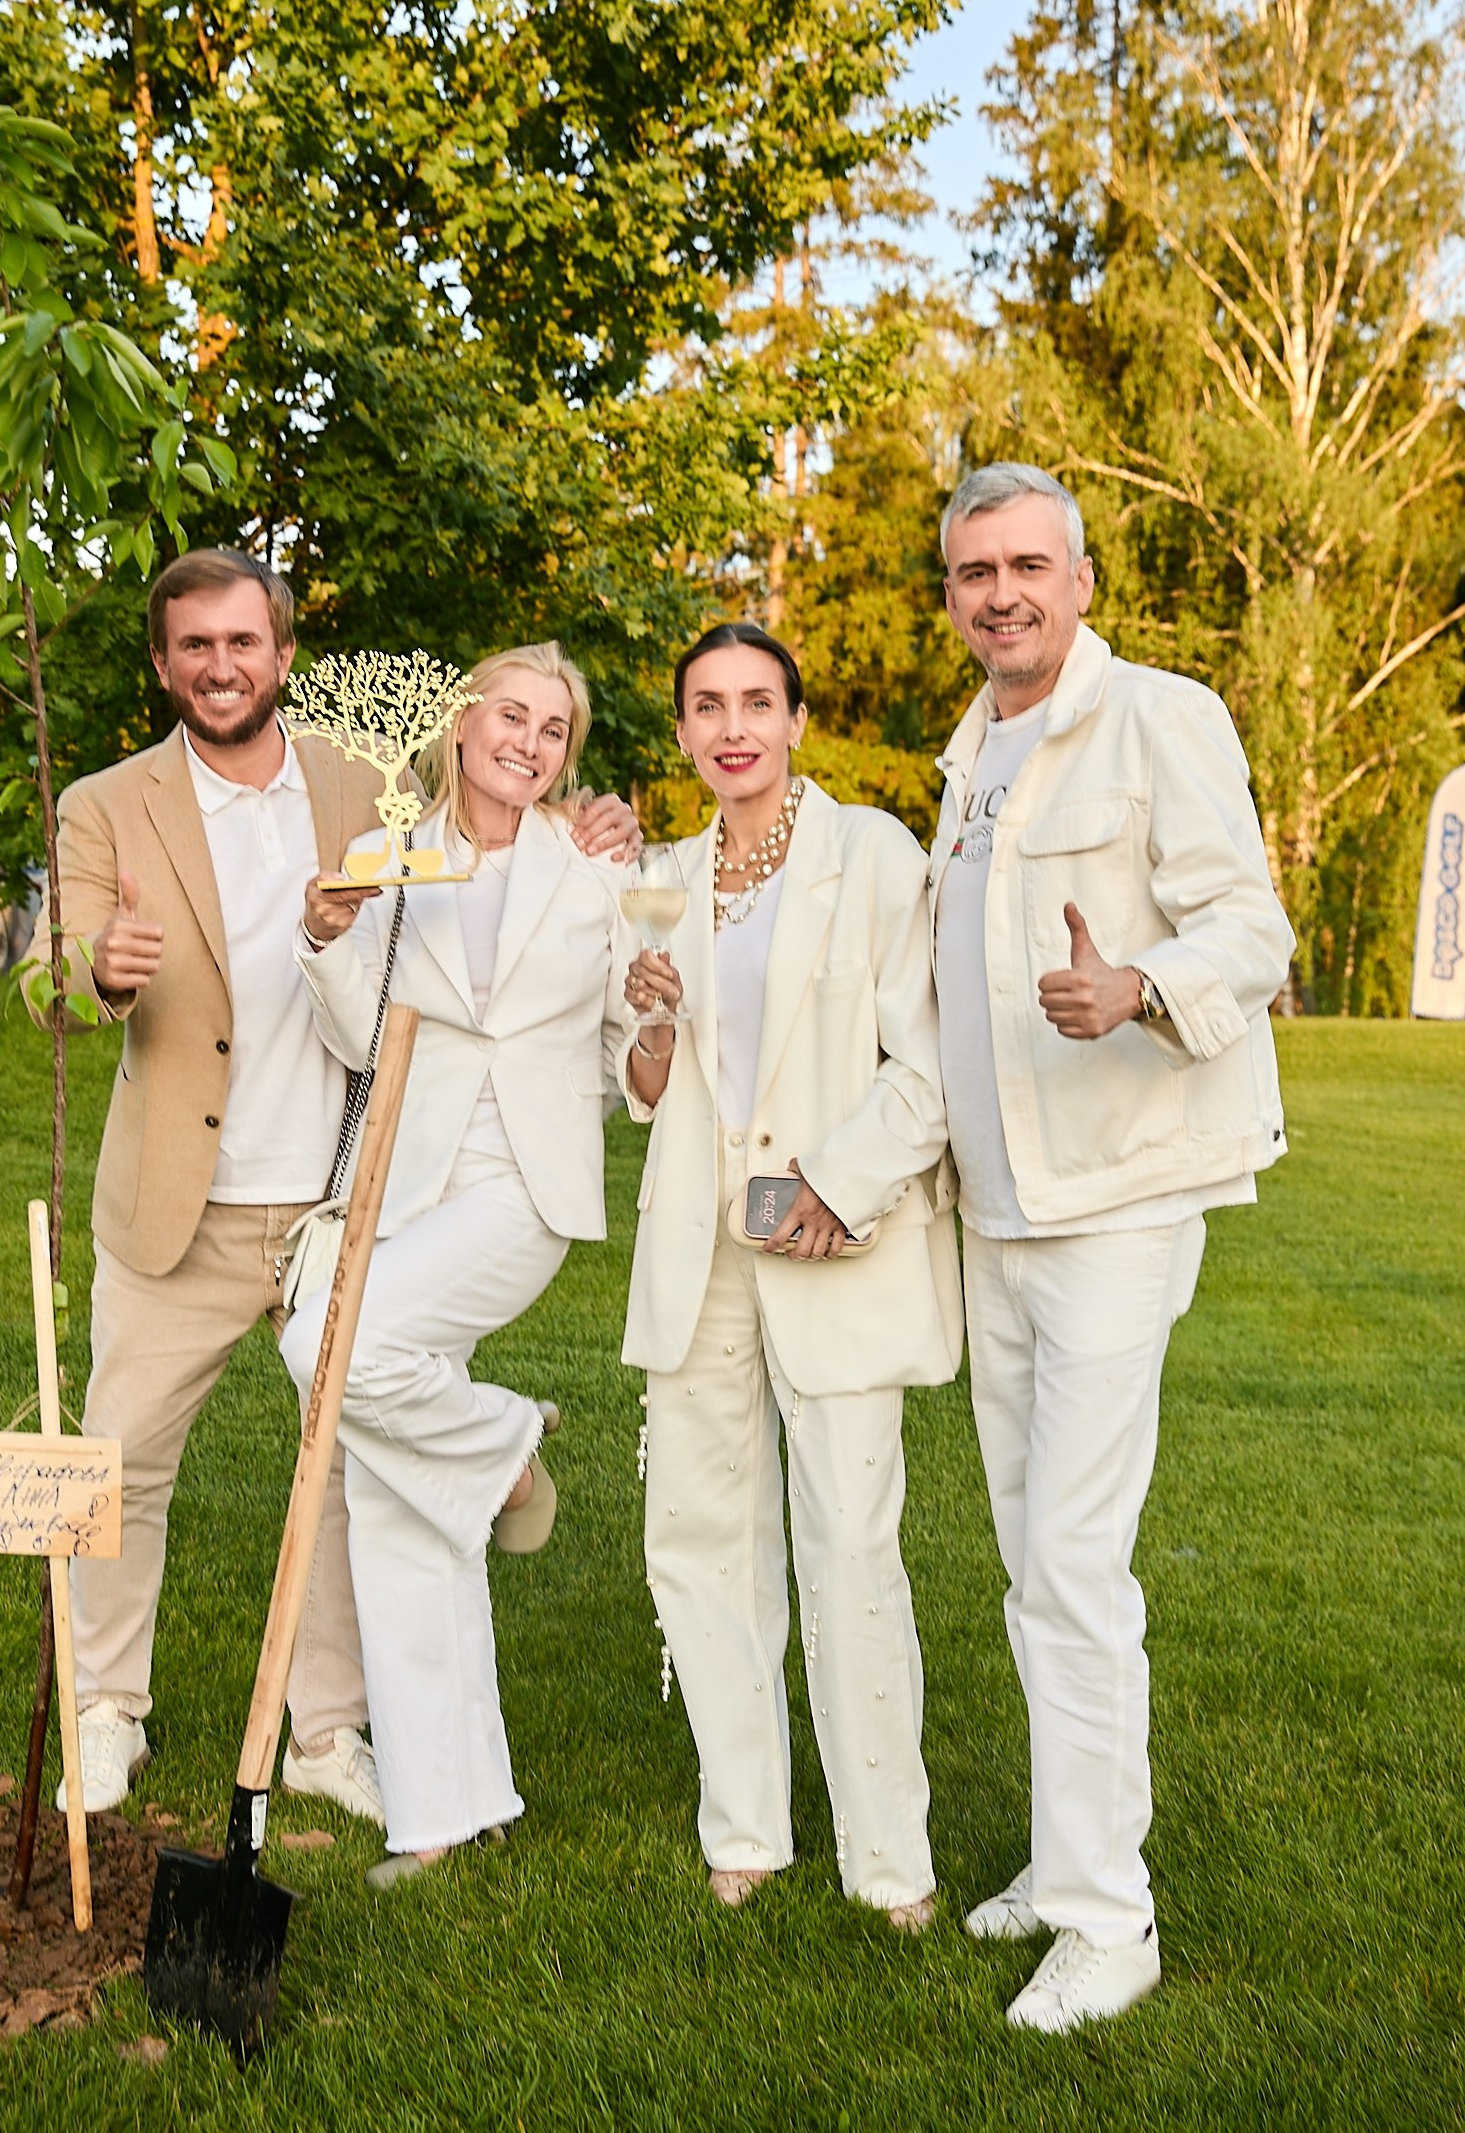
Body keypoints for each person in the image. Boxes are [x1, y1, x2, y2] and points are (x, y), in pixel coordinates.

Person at [44, 555, 637, 1818]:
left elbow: (499, 820)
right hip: (181, 1198)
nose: (220, 665)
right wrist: (97, 968)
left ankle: (326, 1729)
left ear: (282, 654)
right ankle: (105, 1707)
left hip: (340, 1192)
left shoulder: (360, 785)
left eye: (243, 642)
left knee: (343, 1459)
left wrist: (592, 824)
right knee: (115, 1462)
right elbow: (50, 978)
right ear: (162, 663)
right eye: (194, 645)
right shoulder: (105, 803)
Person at [932, 461, 1294, 2032]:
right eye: (973, 572)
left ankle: (1107, 1923)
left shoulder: (1158, 716)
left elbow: (1251, 926)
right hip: (998, 1211)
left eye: (1027, 565)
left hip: (1116, 1202)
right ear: (951, 597)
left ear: (1078, 581)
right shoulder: (967, 757)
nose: (1000, 592)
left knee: (1073, 1563)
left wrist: (1136, 987)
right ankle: (1063, 1854)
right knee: (1032, 1562)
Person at [620, 623, 963, 1926]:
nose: (732, 728)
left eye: (756, 701)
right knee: (700, 1541)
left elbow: (927, 1066)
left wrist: (837, 1182)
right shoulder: (661, 878)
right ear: (682, 731)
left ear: (798, 719)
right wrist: (651, 1023)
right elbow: (643, 1087)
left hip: (832, 1242)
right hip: (698, 1252)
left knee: (850, 1543)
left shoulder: (871, 855)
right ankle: (746, 1825)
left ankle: (889, 1858)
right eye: (706, 706)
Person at [280, 641, 636, 1887]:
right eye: (512, 716)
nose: (530, 743)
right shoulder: (387, 854)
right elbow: (354, 1032)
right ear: (462, 723)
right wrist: (325, 933)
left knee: (330, 1350)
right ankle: (445, 1806)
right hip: (403, 1179)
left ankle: (504, 1441)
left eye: (554, 729)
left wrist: (646, 1042)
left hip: (522, 1187)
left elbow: (626, 1037)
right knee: (393, 1494)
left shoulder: (596, 869)